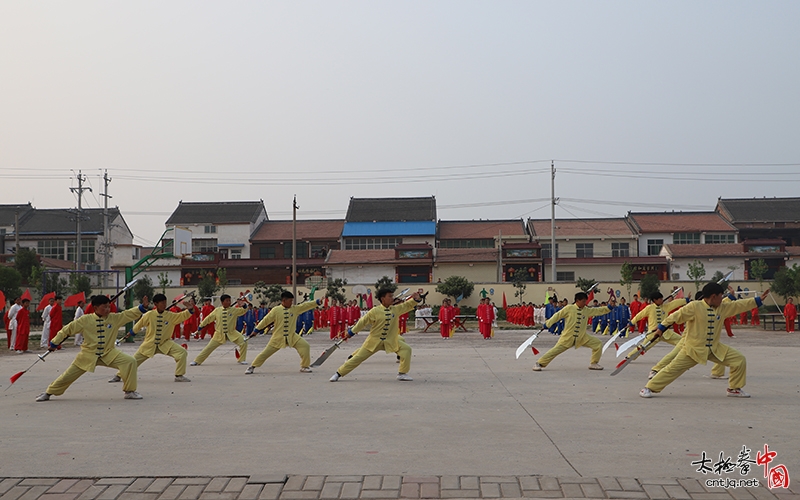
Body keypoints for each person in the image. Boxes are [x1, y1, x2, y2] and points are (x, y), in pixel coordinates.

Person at [640, 283, 769, 399]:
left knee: (739, 360)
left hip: (714, 348)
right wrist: (660, 328)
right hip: (693, 349)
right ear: (713, 296)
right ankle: (648, 388)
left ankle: (734, 389)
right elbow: (675, 316)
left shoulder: (722, 307)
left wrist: (757, 301)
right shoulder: (694, 307)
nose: (722, 298)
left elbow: (738, 305)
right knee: (672, 369)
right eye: (720, 296)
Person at [35, 294, 150, 402]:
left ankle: (129, 391)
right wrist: (54, 343)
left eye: (108, 307)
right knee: (68, 375)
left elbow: (128, 314)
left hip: (109, 353)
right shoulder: (85, 320)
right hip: (88, 355)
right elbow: (67, 330)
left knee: (130, 362)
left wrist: (141, 308)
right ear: (95, 308)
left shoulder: (114, 318)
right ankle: (48, 392)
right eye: (104, 307)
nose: (108, 309)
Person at [329, 289, 422, 382]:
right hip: (373, 341)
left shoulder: (395, 309)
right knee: (358, 358)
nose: (392, 298)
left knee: (406, 349)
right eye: (389, 296)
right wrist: (350, 333)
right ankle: (338, 373)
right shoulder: (375, 311)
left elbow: (407, 305)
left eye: (392, 296)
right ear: (383, 298)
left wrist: (415, 300)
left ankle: (402, 373)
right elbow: (362, 322)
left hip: (390, 340)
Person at [110, 294, 196, 384]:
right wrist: (132, 332)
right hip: (149, 344)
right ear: (156, 303)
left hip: (164, 343)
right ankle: (119, 375)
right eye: (162, 303)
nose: (164, 305)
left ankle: (179, 375)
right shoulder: (149, 315)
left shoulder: (170, 316)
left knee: (182, 352)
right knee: (133, 361)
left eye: (165, 302)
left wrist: (190, 310)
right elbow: (140, 324)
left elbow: (182, 316)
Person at [533, 292, 614, 371]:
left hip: (582, 337)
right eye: (583, 301)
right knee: (555, 351)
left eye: (585, 301)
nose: (585, 303)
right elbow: (557, 316)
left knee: (598, 344)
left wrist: (609, 307)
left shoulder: (586, 310)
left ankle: (594, 363)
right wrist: (547, 324)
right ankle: (539, 363)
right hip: (568, 337)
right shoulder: (569, 308)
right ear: (577, 300)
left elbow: (598, 311)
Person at [245, 291, 321, 374]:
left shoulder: (295, 309)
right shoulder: (276, 310)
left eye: (292, 301)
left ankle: (304, 366)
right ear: (284, 300)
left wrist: (316, 302)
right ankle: (252, 366)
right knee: (265, 353)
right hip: (277, 337)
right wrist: (256, 330)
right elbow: (265, 320)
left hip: (292, 336)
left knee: (305, 346)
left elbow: (305, 306)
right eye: (290, 301)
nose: (291, 303)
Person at [190, 294, 248, 366]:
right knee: (208, 348)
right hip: (219, 334)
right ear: (222, 302)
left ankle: (242, 359)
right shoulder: (217, 310)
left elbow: (243, 311)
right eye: (227, 301)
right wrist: (201, 326)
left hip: (232, 333)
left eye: (229, 300)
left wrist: (244, 305)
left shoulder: (234, 310)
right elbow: (209, 318)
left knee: (244, 342)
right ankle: (197, 361)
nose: (229, 302)